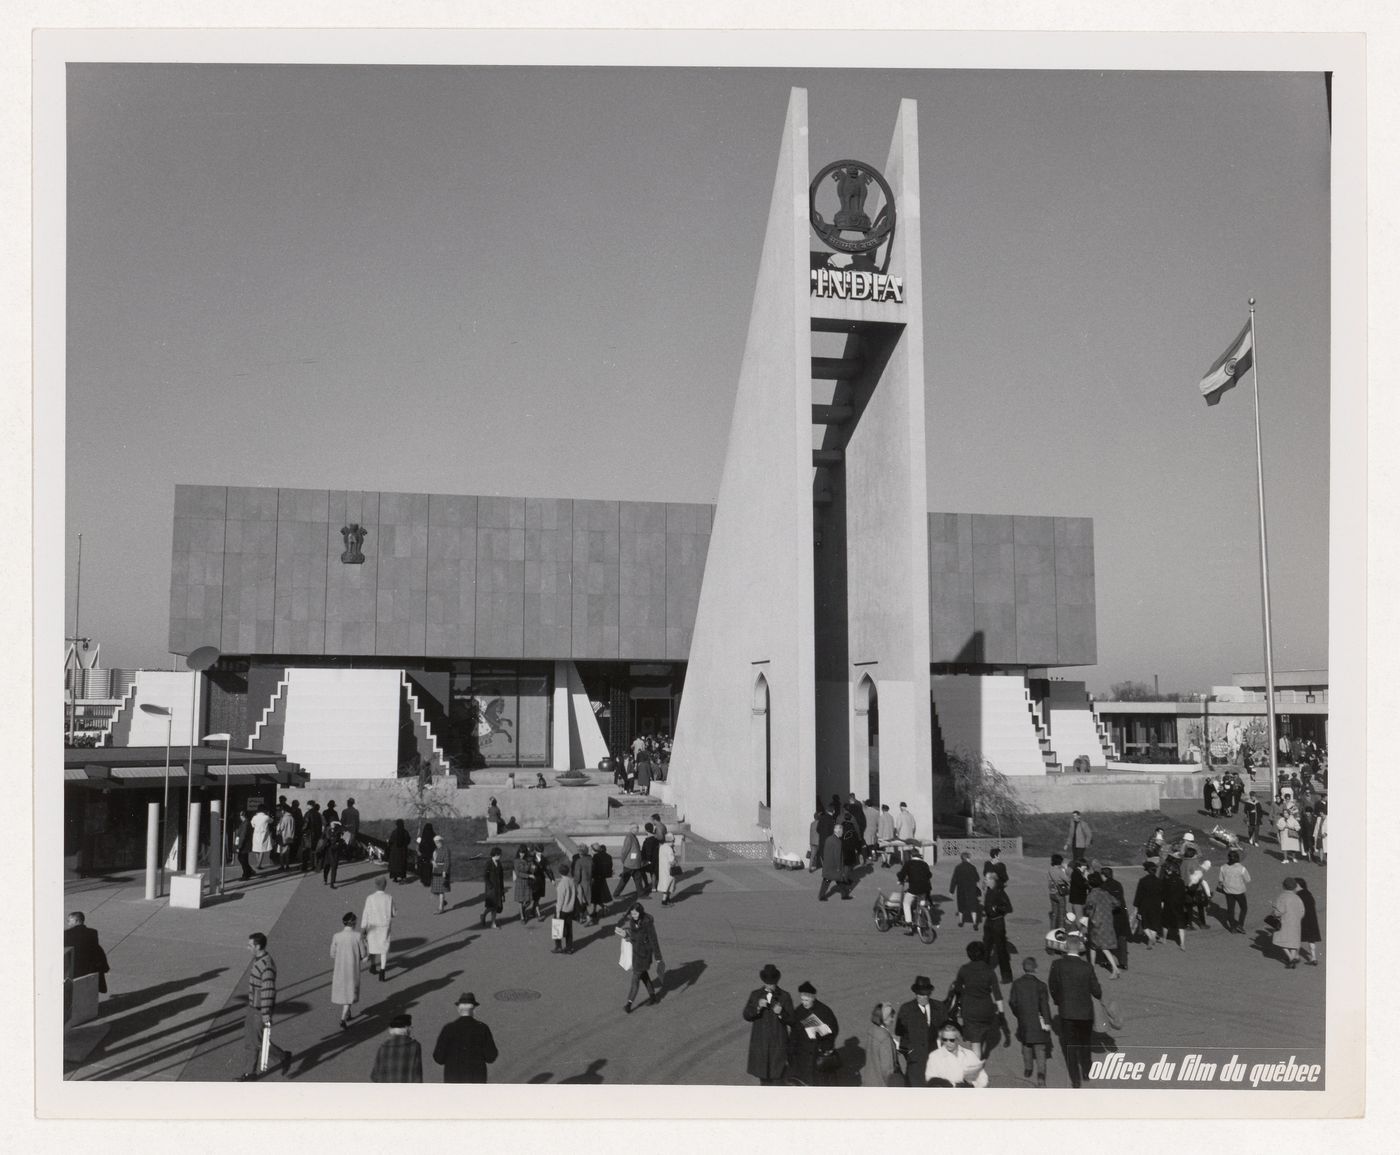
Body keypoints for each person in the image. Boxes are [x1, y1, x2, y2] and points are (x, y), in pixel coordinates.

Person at [1047, 936, 1101, 1089]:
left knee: (1070, 1046)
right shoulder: (1087, 967)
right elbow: (1097, 992)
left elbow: (1052, 986)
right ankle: (1086, 1070)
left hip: (1066, 1012)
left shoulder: (1057, 965)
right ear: (1079, 948)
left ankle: (1075, 1079)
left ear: (1066, 947)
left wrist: (1059, 1000)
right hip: (1085, 1013)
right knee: (1085, 1042)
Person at [237, 932, 292, 1081]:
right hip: (253, 1006)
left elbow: (267, 989)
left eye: (250, 945)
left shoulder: (266, 965)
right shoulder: (259, 960)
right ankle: (279, 1058)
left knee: (256, 1041)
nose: (248, 947)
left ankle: (252, 1072)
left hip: (260, 1008)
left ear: (258, 946)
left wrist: (265, 1012)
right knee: (252, 1039)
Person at [950, 941, 1009, 1059]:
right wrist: (1001, 1014)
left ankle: (975, 1070)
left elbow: (957, 989)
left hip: (970, 1009)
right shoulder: (989, 971)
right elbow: (997, 995)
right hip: (986, 1010)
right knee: (980, 1035)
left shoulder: (964, 969)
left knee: (975, 1044)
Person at [742, 964, 793, 1085]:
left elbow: (792, 1020)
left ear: (776, 981)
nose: (770, 986)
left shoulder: (785, 996)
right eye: (768, 983)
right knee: (764, 1080)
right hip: (761, 1045)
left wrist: (781, 1013)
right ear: (764, 981)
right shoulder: (755, 995)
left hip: (778, 1045)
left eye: (772, 983)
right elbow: (746, 1015)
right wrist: (758, 1007)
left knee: (778, 1079)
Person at [432, 992, 499, 1083]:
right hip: (476, 1081)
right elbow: (491, 1056)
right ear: (474, 1009)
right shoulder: (482, 1028)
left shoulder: (448, 1029)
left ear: (458, 1009)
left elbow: (438, 1058)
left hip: (453, 1081)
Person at [894, 975, 946, 1085]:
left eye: (925, 995)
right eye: (919, 994)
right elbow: (899, 1031)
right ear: (915, 993)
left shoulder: (939, 1007)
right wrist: (909, 1051)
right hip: (915, 1060)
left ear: (929, 993)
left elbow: (945, 1030)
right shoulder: (906, 1009)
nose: (921, 997)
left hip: (934, 1057)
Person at [1009, 957, 1052, 1086]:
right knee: (1040, 1050)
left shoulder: (1017, 984)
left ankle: (1028, 1069)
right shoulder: (1041, 985)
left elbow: (1012, 1002)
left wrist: (1019, 1014)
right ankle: (1041, 1075)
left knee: (1026, 1046)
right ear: (1035, 969)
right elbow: (1045, 1005)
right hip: (1038, 1022)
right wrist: (1047, 1021)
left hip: (1024, 1021)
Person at [788, 981, 840, 1086]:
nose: (804, 1003)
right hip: (803, 1059)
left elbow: (834, 1030)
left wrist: (821, 1033)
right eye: (802, 1000)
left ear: (813, 998)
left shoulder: (825, 1011)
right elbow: (794, 1034)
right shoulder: (799, 1011)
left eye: (807, 1000)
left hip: (819, 1057)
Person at [617, 902, 663, 1012]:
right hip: (636, 953)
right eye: (632, 914)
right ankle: (653, 997)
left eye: (636, 914)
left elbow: (653, 940)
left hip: (644, 954)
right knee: (644, 975)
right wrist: (626, 935)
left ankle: (629, 1004)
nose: (634, 916)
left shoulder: (647, 923)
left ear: (640, 912)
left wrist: (658, 958)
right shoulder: (633, 922)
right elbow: (634, 937)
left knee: (636, 978)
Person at [329, 911, 366, 1029]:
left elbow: (332, 954)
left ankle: (348, 1013)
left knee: (343, 992)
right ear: (354, 923)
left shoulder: (336, 936)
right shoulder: (357, 936)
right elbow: (363, 953)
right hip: (352, 969)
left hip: (340, 969)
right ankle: (343, 1018)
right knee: (350, 994)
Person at [1082, 872, 1122, 979]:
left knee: (1099, 946)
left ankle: (1115, 969)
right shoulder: (1106, 893)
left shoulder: (1091, 895)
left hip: (1096, 923)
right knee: (1096, 946)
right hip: (1107, 921)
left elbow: (1088, 910)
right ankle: (1093, 966)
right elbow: (1117, 903)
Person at [64, 912, 110, 994]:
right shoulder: (93, 932)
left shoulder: (67, 934)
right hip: (89, 967)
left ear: (76, 921)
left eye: (69, 921)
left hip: (74, 967)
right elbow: (94, 949)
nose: (68, 923)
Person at [981, 872, 1015, 983]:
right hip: (989, 923)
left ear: (992, 880)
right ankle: (983, 974)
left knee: (1001, 950)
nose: (985, 881)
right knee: (985, 949)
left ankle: (1007, 976)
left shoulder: (1000, 892)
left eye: (986, 879)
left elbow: (1009, 908)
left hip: (998, 923)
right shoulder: (989, 891)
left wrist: (997, 909)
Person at [370, 1013, 422, 1082]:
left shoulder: (383, 1047)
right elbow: (417, 1074)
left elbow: (374, 1076)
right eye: (410, 1027)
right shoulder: (414, 1046)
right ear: (406, 1028)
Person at [361, 877, 394, 981]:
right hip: (384, 926)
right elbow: (394, 912)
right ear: (385, 886)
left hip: (373, 926)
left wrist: (363, 928)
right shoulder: (389, 897)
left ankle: (373, 966)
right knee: (383, 948)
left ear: (375, 885)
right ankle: (382, 971)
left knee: (373, 946)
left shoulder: (370, 898)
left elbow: (365, 913)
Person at [864, 1002, 904, 1087]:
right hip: (882, 1085)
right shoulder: (885, 1039)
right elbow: (888, 1069)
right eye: (891, 1017)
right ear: (884, 1018)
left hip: (870, 1081)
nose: (893, 1019)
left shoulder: (872, 1031)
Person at [1269, 877, 1305, 969]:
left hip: (1285, 922)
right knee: (1294, 942)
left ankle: (1290, 958)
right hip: (1295, 922)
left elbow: (1279, 911)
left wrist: (1274, 911)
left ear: (1284, 886)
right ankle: (1292, 957)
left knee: (1281, 940)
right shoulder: (1297, 898)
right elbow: (1302, 911)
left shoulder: (1282, 897)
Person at [1100, 866, 1131, 971]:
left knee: (1107, 939)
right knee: (1121, 939)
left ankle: (1106, 960)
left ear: (1104, 875)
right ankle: (1124, 962)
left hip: (1110, 916)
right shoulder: (1118, 884)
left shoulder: (1103, 886)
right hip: (1121, 915)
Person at [1217, 850, 1251, 933]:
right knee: (1244, 908)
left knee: (1230, 909)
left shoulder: (1223, 867)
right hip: (1239, 891)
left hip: (1228, 891)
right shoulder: (1241, 868)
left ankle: (1232, 927)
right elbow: (1248, 879)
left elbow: (1220, 880)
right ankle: (1240, 925)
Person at [1161, 858, 1190, 951]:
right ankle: (1182, 944)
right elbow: (1183, 894)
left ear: (1170, 870)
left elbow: (1163, 893)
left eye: (1168, 869)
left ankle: (1164, 939)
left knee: (1166, 923)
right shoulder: (1180, 881)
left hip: (1168, 904)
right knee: (1181, 925)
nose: (1166, 871)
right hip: (1179, 905)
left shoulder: (1165, 881)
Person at [818, 822, 852, 901]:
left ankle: (843, 895)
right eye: (842, 831)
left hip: (828, 864)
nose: (842, 833)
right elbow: (838, 855)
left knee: (830, 880)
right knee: (837, 880)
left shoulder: (829, 839)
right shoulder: (838, 842)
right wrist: (839, 867)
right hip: (834, 866)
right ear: (838, 831)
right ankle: (843, 895)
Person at [1133, 861, 1163, 948]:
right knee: (1154, 923)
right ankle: (1152, 937)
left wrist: (1136, 905)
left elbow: (1139, 895)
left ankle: (1150, 938)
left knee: (1144, 923)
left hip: (1144, 905)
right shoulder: (1159, 881)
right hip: (1156, 905)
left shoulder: (1142, 881)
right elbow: (1162, 894)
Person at [552, 862, 579, 954]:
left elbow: (560, 900)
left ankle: (558, 946)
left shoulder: (561, 884)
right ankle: (569, 947)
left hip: (563, 909)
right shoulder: (572, 881)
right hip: (570, 908)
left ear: (560, 873)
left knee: (557, 928)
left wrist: (557, 912)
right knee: (569, 929)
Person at [950, 851, 982, 929]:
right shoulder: (972, 867)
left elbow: (954, 879)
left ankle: (961, 922)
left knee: (961, 906)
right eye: (969, 857)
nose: (970, 859)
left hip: (961, 890)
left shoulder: (958, 867)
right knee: (973, 906)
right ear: (967, 858)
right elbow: (977, 878)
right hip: (971, 889)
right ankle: (974, 923)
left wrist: (952, 890)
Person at [615, 825, 647, 899]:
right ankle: (616, 894)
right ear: (632, 829)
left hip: (635, 863)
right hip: (630, 863)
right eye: (636, 828)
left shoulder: (633, 836)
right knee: (624, 879)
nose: (638, 830)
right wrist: (623, 860)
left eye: (638, 828)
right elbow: (625, 850)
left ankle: (641, 894)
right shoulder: (629, 837)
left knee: (638, 878)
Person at [1296, 876, 1322, 965]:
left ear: (1298, 885)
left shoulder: (1298, 895)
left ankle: (1296, 956)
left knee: (1296, 937)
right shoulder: (1308, 893)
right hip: (1312, 919)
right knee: (1311, 939)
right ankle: (1313, 957)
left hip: (1302, 919)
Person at [589, 842, 613, 923]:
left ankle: (595, 912)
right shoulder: (607, 856)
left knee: (594, 897)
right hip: (602, 879)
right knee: (598, 897)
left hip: (596, 879)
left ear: (594, 850)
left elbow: (593, 869)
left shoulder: (595, 857)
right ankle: (602, 909)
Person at [481, 846, 504, 929]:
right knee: (491, 906)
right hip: (491, 889)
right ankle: (484, 915)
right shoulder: (489, 863)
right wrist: (490, 885)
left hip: (498, 889)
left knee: (496, 906)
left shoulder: (499, 863)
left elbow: (501, 877)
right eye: (499, 854)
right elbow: (485, 876)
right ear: (495, 854)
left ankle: (493, 923)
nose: (500, 856)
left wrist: (502, 888)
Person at [1046, 853, 1070, 929]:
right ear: (1060, 862)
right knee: (1062, 913)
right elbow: (1068, 879)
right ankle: (1061, 928)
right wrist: (1066, 870)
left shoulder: (1050, 870)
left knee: (1054, 913)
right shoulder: (1059, 871)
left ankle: (1052, 929)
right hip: (1059, 893)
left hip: (1052, 893)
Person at [512, 845, 535, 922]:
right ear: (518, 852)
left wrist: (533, 868)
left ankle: (522, 910)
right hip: (520, 882)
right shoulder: (516, 861)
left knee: (529, 901)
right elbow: (518, 874)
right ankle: (522, 917)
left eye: (524, 853)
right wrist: (529, 876)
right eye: (521, 853)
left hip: (527, 883)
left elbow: (531, 870)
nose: (522, 854)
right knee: (521, 901)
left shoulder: (527, 860)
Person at [1276, 798, 1302, 864]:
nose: (1285, 814)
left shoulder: (1292, 819)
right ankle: (1285, 859)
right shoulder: (1281, 820)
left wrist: (1291, 827)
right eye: (1284, 813)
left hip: (1292, 834)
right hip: (1284, 834)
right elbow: (1278, 826)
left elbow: (1298, 827)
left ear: (1289, 813)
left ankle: (1294, 858)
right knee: (1284, 847)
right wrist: (1284, 827)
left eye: (1286, 813)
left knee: (1293, 846)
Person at [431, 834, 452, 914]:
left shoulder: (446, 850)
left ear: (441, 842)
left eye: (438, 842)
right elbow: (433, 859)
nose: (437, 844)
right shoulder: (436, 850)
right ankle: (442, 901)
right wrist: (433, 862)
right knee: (435, 890)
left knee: (441, 891)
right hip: (436, 871)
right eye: (435, 842)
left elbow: (447, 861)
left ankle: (441, 908)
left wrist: (445, 871)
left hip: (442, 871)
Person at [386, 818, 411, 883]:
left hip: (395, 851)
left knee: (395, 864)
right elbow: (408, 840)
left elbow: (390, 841)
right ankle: (403, 877)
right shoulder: (405, 832)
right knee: (402, 864)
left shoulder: (394, 832)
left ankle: (395, 878)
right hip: (403, 851)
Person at [301, 802, 323, 874]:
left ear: (310, 805)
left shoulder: (308, 813)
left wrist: (302, 830)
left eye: (307, 805)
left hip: (308, 835)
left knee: (306, 851)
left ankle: (304, 867)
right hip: (316, 835)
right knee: (314, 851)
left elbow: (305, 824)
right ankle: (314, 866)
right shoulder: (318, 814)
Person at [656, 835, 678, 906]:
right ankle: (665, 901)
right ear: (671, 841)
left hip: (662, 869)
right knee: (668, 885)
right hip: (669, 869)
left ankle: (666, 900)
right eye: (673, 841)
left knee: (665, 885)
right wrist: (675, 857)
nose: (674, 842)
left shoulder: (662, 847)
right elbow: (672, 860)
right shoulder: (669, 849)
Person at [322, 822, 345, 889]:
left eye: (335, 824)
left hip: (335, 851)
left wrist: (339, 823)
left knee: (334, 866)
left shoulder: (338, 831)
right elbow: (324, 839)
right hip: (329, 850)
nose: (334, 825)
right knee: (327, 866)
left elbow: (342, 830)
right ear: (330, 825)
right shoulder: (327, 831)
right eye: (332, 824)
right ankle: (325, 879)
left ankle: (332, 883)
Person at [250, 806, 273, 870]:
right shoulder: (266, 817)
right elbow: (271, 821)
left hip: (256, 834)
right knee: (262, 849)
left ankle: (258, 863)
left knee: (256, 849)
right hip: (263, 834)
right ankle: (259, 864)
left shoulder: (254, 817)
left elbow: (252, 825)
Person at [641, 823, 662, 894]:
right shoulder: (656, 839)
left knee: (642, 870)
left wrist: (648, 860)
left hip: (649, 859)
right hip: (655, 859)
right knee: (653, 873)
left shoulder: (648, 840)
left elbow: (648, 851)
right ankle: (654, 887)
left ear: (646, 830)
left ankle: (647, 885)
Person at [276, 805, 296, 871]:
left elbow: (280, 828)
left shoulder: (283, 818)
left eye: (279, 811)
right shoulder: (292, 817)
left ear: (283, 811)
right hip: (290, 837)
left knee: (281, 853)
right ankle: (287, 865)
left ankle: (282, 866)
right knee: (287, 852)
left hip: (283, 837)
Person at [235, 810, 254, 879]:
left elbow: (242, 836)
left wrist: (239, 846)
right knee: (243, 859)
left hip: (244, 845)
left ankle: (246, 874)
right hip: (245, 844)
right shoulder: (245, 823)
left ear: (242, 816)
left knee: (242, 859)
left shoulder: (245, 824)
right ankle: (249, 871)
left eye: (240, 816)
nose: (240, 817)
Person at [416, 822, 436, 887]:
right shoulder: (434, 835)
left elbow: (421, 846)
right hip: (431, 854)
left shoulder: (424, 836)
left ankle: (424, 880)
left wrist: (421, 851)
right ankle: (429, 880)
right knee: (430, 868)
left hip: (424, 855)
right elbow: (435, 845)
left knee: (424, 867)